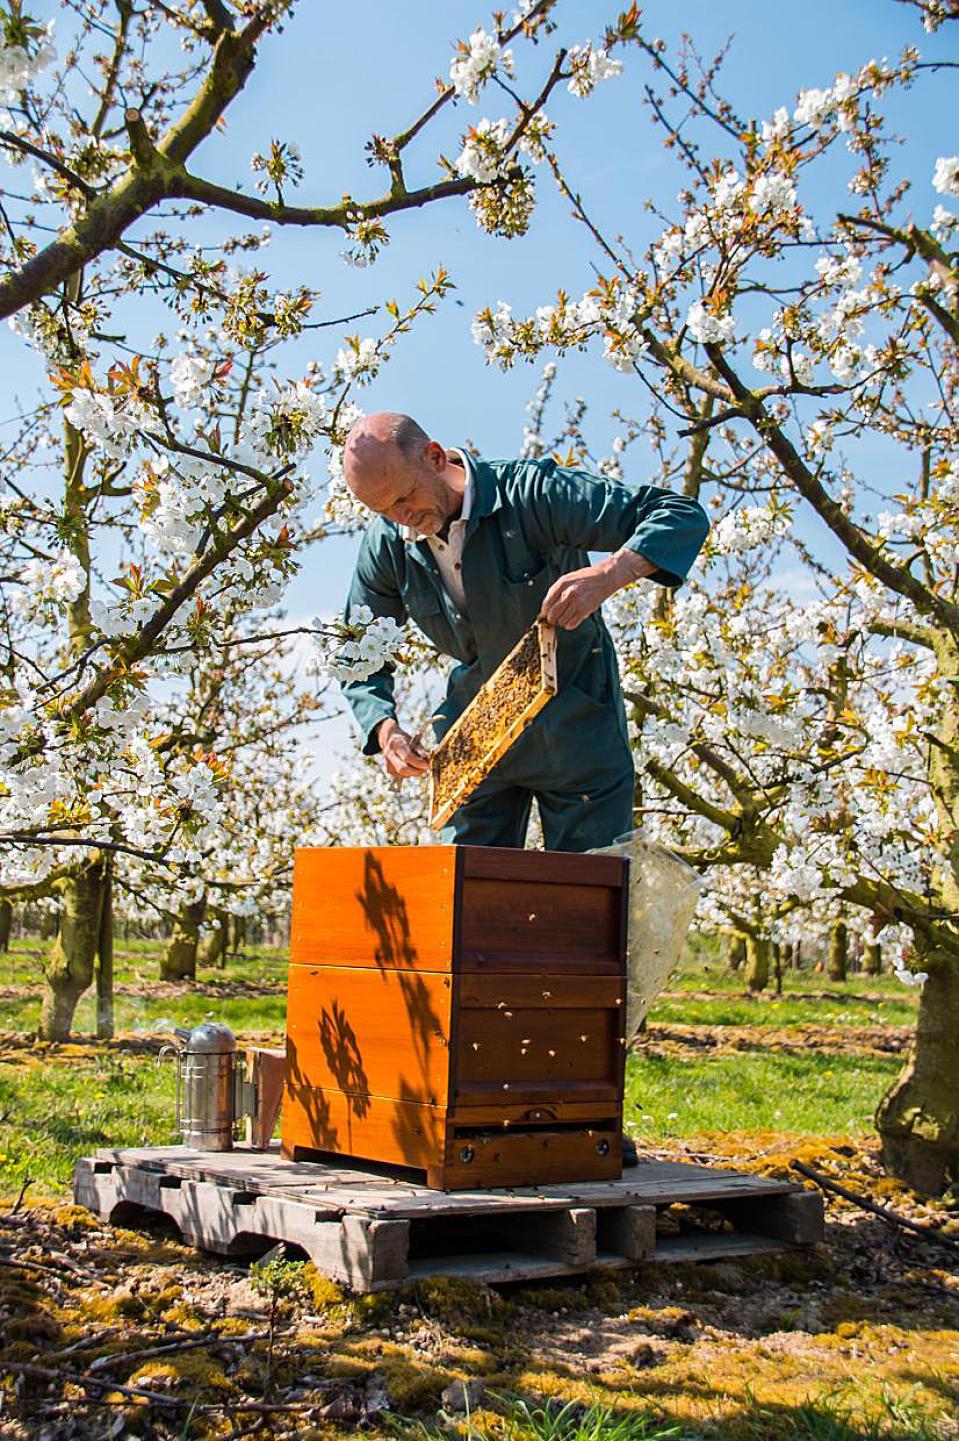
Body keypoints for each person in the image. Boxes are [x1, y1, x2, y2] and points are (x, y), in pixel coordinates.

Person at [340, 412, 709, 852]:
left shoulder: (533, 491)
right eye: (384, 510)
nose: (403, 518)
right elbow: (358, 649)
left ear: (435, 457)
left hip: (577, 727)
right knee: (465, 895)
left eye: (406, 497)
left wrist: (612, 572)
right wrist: (385, 729)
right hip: (475, 733)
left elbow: (678, 514)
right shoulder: (388, 539)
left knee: (588, 894)